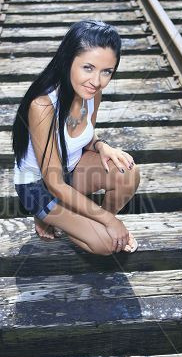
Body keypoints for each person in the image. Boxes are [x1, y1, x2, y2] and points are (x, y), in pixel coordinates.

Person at [12, 20, 140, 255]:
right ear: (68, 59)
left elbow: (83, 136)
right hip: (39, 187)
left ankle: (87, 221)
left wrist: (102, 145)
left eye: (107, 71)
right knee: (105, 245)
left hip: (71, 171)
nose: (97, 81)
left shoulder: (92, 93)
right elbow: (54, 183)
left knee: (127, 173)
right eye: (88, 68)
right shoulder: (43, 106)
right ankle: (48, 216)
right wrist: (111, 223)